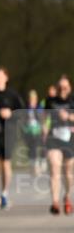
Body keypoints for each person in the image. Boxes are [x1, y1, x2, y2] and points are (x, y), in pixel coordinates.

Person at [0, 67, 25, 209]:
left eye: (0, 76)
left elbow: (22, 113)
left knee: (6, 165)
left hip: (8, 133)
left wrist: (11, 114)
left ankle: (4, 193)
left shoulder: (13, 94)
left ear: (6, 78)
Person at [44, 75, 74, 215]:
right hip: (53, 138)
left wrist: (68, 117)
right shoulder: (50, 101)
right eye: (60, 87)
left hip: (70, 139)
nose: (62, 90)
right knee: (55, 167)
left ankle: (67, 196)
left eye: (65, 87)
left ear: (69, 88)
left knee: (68, 173)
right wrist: (43, 129)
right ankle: (55, 202)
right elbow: (44, 118)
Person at [19, 88, 46, 176]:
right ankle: (34, 166)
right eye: (31, 98)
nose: (32, 100)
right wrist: (23, 130)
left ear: (36, 99)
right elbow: (22, 121)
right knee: (31, 149)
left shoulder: (39, 108)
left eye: (34, 98)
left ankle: (41, 163)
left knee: (41, 147)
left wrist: (44, 128)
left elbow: (43, 119)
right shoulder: (25, 108)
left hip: (38, 131)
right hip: (29, 132)